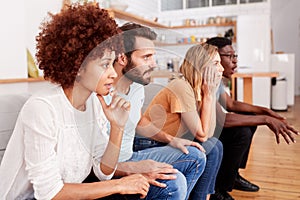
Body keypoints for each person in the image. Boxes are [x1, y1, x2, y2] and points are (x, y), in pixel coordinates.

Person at [0, 3, 150, 199]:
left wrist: (117, 128)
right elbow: (49, 193)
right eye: (105, 64)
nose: (113, 73)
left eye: (112, 63)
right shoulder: (42, 108)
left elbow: (104, 172)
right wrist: (119, 185)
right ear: (78, 65)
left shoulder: (95, 104)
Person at [103, 22, 207, 200]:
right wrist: (131, 169)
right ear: (122, 58)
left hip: (131, 155)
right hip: (110, 166)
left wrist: (172, 140)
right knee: (175, 183)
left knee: (195, 155)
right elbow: (94, 164)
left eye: (153, 57)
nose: (153, 64)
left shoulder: (137, 86)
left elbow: (139, 120)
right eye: (146, 57)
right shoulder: (102, 92)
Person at [206, 36, 299, 200]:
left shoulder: (216, 77)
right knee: (242, 131)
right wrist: (265, 119)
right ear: (213, 57)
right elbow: (222, 121)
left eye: (235, 56)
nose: (234, 61)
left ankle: (232, 175)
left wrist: (265, 111)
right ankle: (218, 189)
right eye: (229, 56)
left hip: (208, 126)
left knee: (250, 117)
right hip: (195, 133)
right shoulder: (205, 77)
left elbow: (231, 104)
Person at [141, 43, 224, 200]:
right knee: (209, 148)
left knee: (216, 145)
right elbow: (202, 135)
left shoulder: (197, 88)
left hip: (169, 140)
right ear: (201, 66)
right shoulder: (181, 86)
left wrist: (210, 94)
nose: (221, 69)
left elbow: (210, 131)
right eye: (216, 64)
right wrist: (208, 96)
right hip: (150, 142)